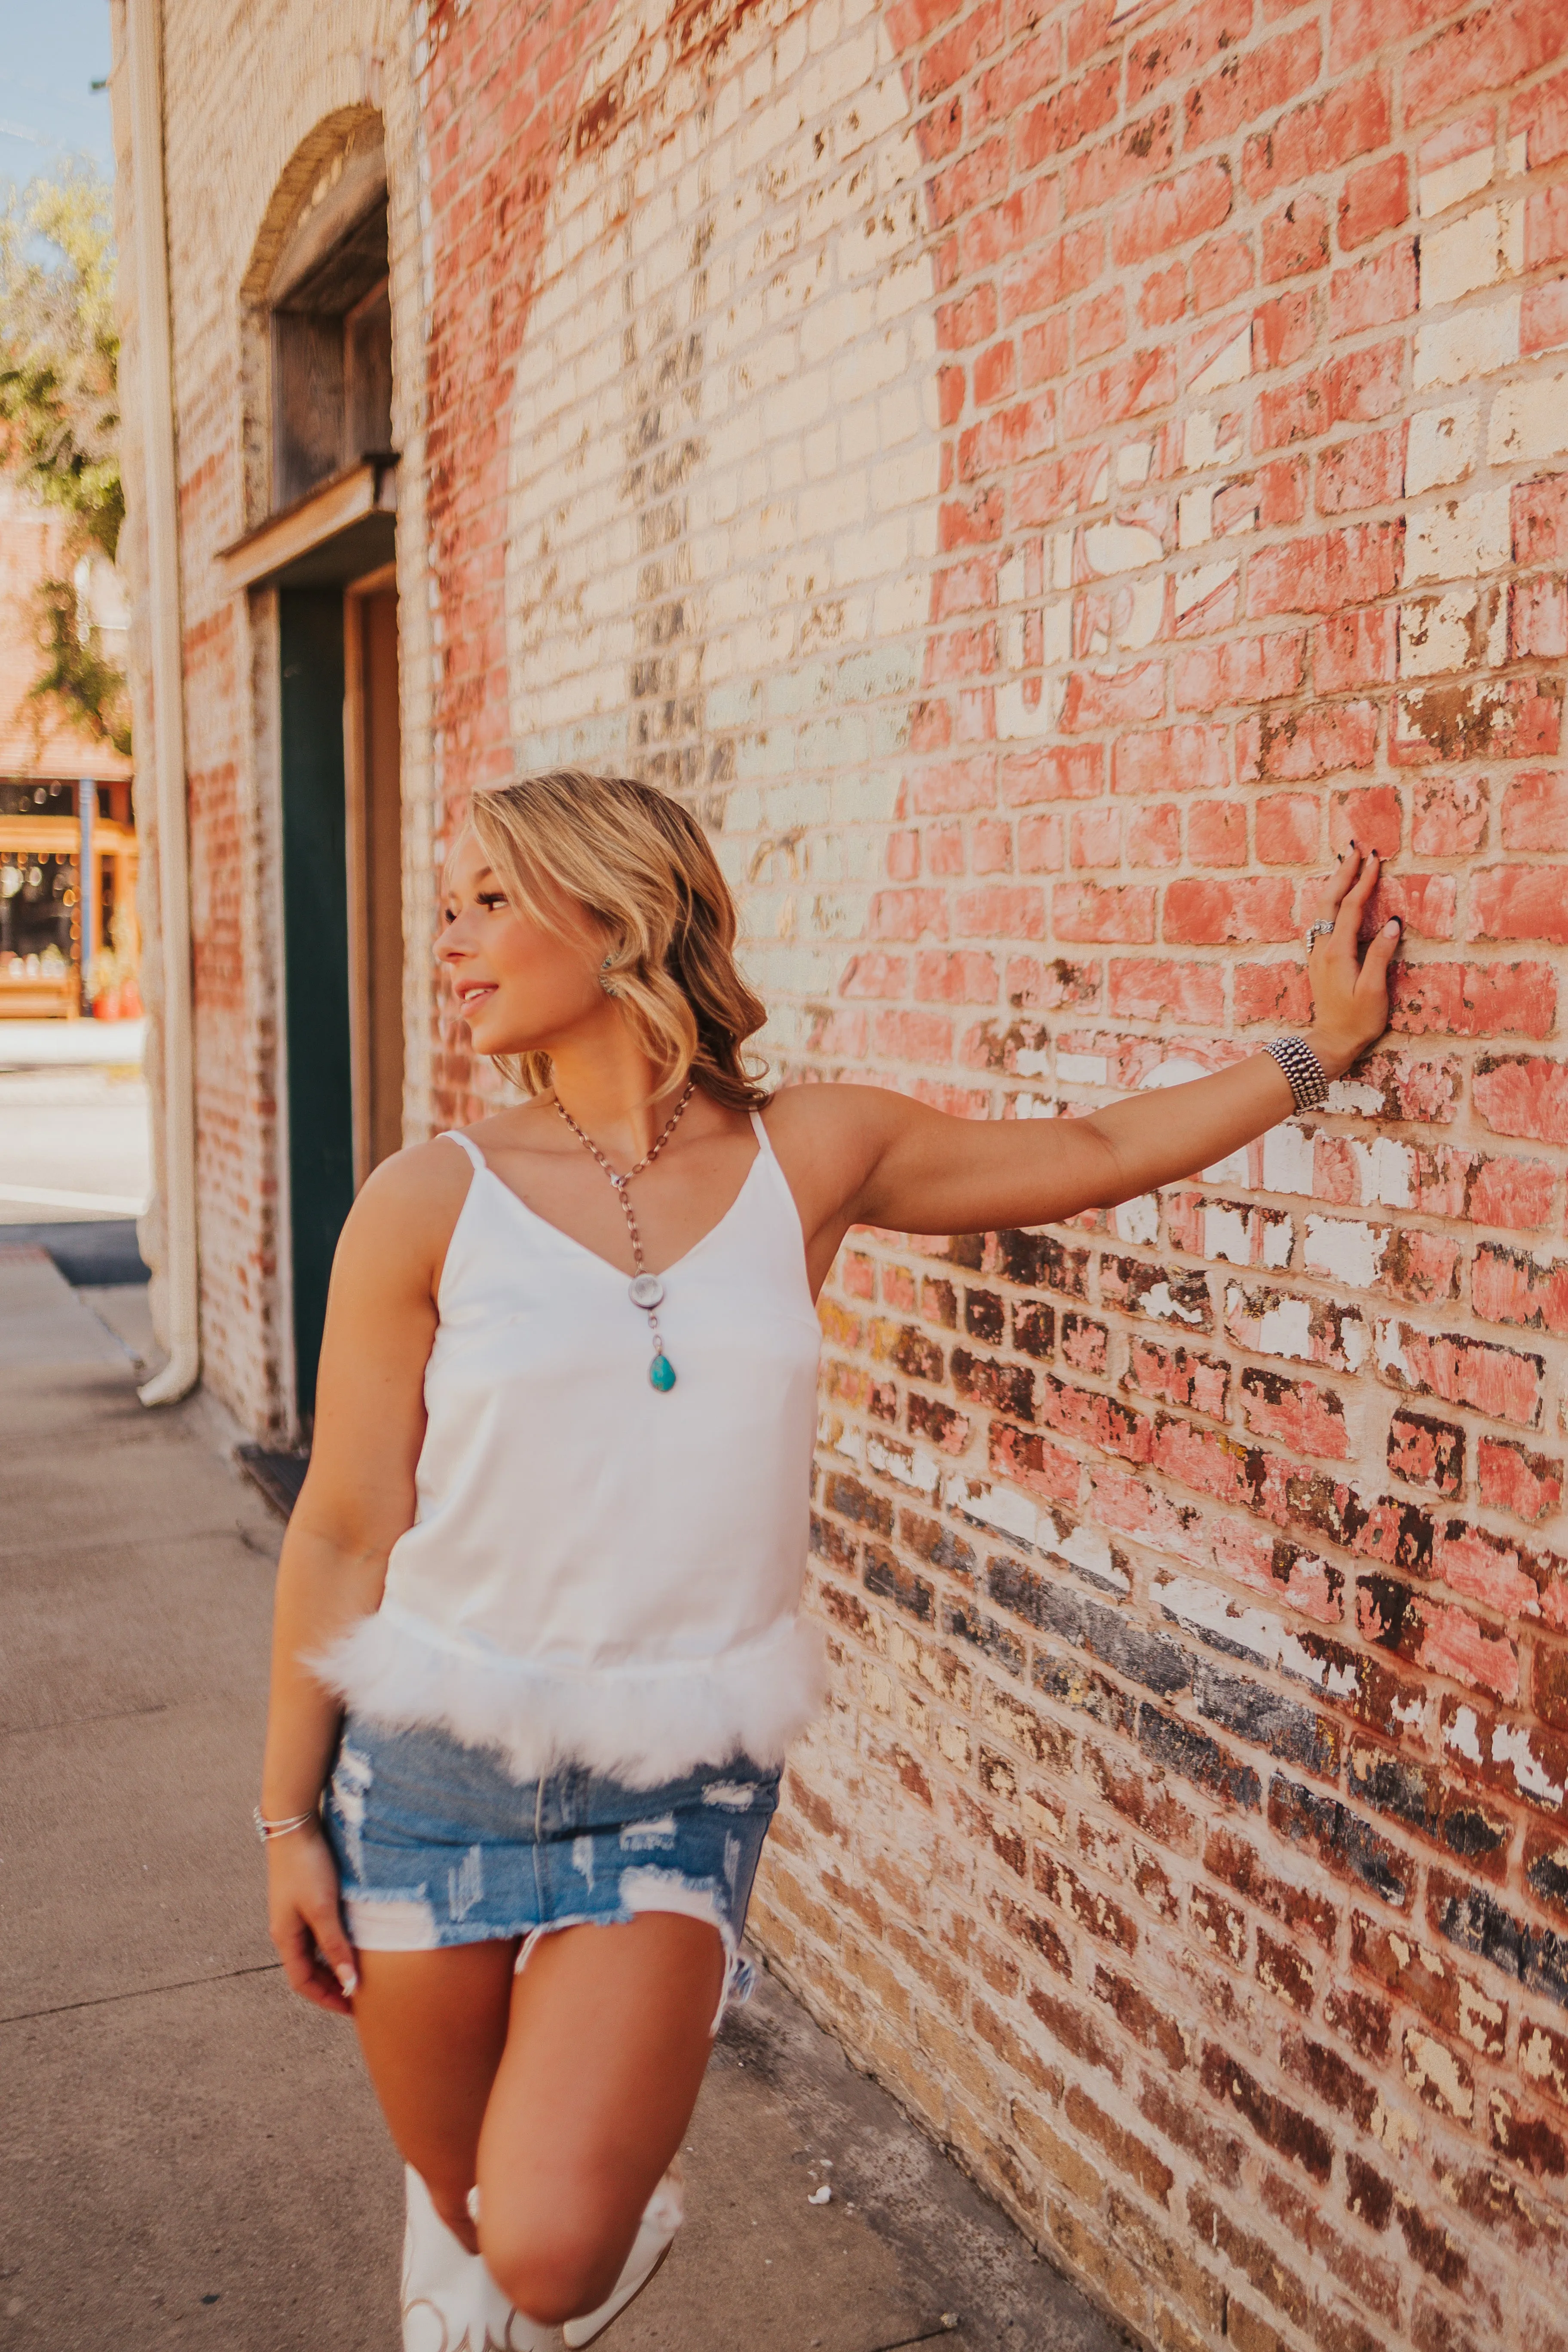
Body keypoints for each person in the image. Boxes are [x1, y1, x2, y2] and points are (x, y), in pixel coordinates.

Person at [258, 767, 1398, 2348]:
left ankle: (534, 2242)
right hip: (429, 1767)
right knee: (458, 2216)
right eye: (448, 902)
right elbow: (341, 1526)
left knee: (545, 2255)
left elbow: (1095, 1144)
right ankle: (465, 2242)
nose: (450, 937)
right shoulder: (423, 1201)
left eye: (487, 899)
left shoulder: (812, 1155)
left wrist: (1313, 1056)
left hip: (676, 1776)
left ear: (620, 917)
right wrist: (282, 1818)